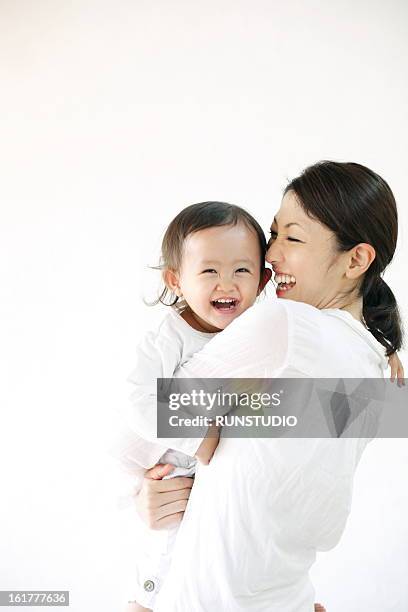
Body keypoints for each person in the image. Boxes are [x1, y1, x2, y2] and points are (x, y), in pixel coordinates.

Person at [130, 161, 404, 611]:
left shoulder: (286, 326)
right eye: (274, 234)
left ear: (356, 259)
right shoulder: (378, 368)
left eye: (292, 238)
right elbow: (269, 478)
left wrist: (142, 491)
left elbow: (154, 410)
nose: (269, 256)